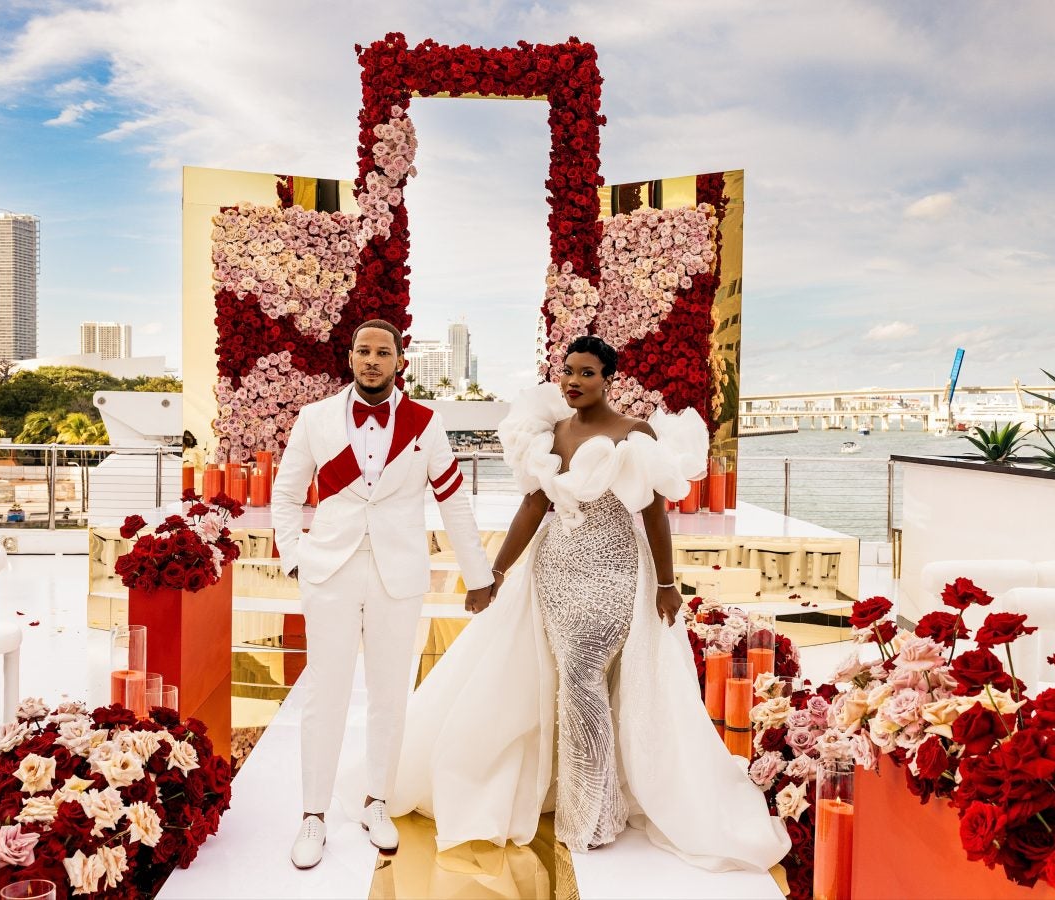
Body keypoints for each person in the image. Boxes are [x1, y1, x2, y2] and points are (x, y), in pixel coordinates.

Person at [385, 335, 791, 870]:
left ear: (608, 378)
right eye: (568, 372)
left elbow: (653, 516)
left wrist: (667, 584)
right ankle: (585, 796)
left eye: (586, 372)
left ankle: (595, 810)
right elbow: (534, 506)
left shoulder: (634, 434)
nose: (573, 381)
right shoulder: (551, 434)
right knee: (569, 681)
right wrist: (494, 574)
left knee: (581, 678)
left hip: (615, 573)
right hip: (556, 570)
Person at [271, 319, 495, 870]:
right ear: (350, 358)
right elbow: (286, 492)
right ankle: (313, 815)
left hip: (399, 575)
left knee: (391, 695)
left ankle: (377, 802)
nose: (372, 360)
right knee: (325, 694)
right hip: (330, 571)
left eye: (383, 352)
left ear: (400, 361)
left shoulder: (427, 423)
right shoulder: (315, 419)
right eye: (363, 351)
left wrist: (480, 575)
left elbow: (454, 503)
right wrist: (296, 555)